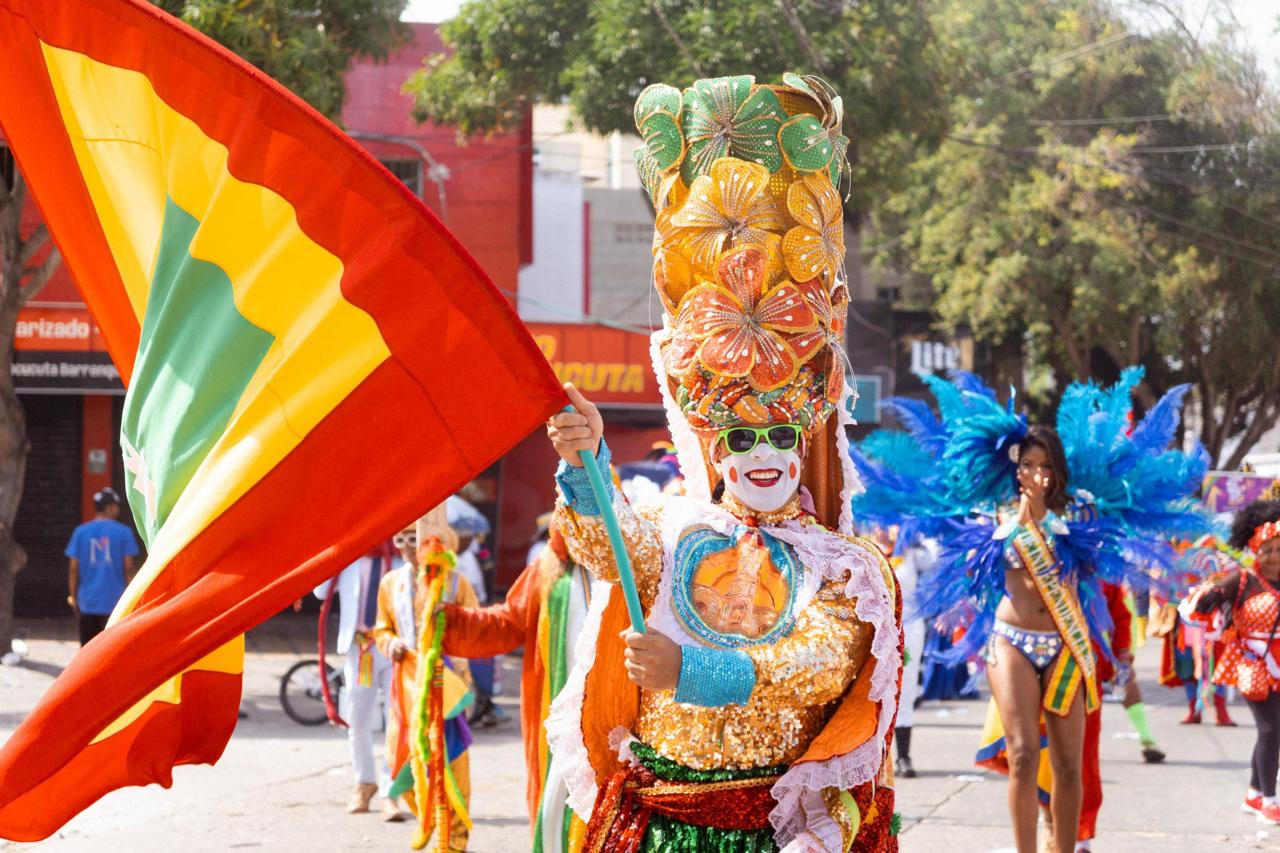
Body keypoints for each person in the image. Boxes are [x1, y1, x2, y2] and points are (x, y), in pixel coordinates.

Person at [544, 71, 902, 853]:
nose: (761, 453)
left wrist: (690, 669)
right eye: (739, 437)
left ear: (804, 438)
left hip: (763, 829)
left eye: (776, 433)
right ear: (713, 444)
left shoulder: (843, 567)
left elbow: (811, 662)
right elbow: (610, 543)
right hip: (660, 821)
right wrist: (589, 459)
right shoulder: (679, 532)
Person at [850, 368, 1206, 853]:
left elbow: (1095, 567)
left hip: (1066, 643)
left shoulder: (1082, 512)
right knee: (1021, 751)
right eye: (1028, 465)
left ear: (1058, 470)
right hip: (1011, 640)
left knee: (1068, 763)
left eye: (1045, 466)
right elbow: (978, 567)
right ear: (1015, 468)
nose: (1036, 474)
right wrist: (1018, 521)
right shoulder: (992, 513)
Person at [439, 528, 596, 852]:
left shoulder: (632, 562)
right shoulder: (548, 566)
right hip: (558, 711)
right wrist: (451, 621)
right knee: (556, 799)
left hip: (615, 715)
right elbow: (508, 622)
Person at [373, 515, 478, 851]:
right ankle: (428, 819)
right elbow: (381, 628)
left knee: (452, 758)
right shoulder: (390, 582)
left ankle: (455, 839)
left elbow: (475, 627)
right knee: (399, 756)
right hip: (406, 683)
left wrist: (456, 661)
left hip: (445, 681)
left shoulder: (455, 582)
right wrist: (389, 643)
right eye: (399, 539)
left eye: (412, 538)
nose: (405, 547)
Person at [1186, 499, 1280, 824]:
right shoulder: (1243, 580)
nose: (1275, 556)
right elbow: (1203, 600)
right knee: (1270, 730)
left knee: (1273, 731)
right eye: (1268, 548)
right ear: (1255, 547)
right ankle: (1271, 801)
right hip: (1253, 665)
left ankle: (1254, 793)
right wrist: (1209, 599)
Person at [313, 542, 400, 819]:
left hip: (394, 648)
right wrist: (333, 551)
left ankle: (391, 792)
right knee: (358, 720)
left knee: (395, 720)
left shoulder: (399, 560)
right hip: (358, 647)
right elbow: (320, 591)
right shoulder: (349, 558)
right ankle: (364, 782)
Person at [65, 487, 139, 645]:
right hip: (115, 603)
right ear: (110, 507)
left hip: (87, 602)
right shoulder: (124, 533)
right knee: (112, 649)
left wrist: (74, 598)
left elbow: (73, 570)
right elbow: (129, 569)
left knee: (87, 650)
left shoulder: (80, 532)